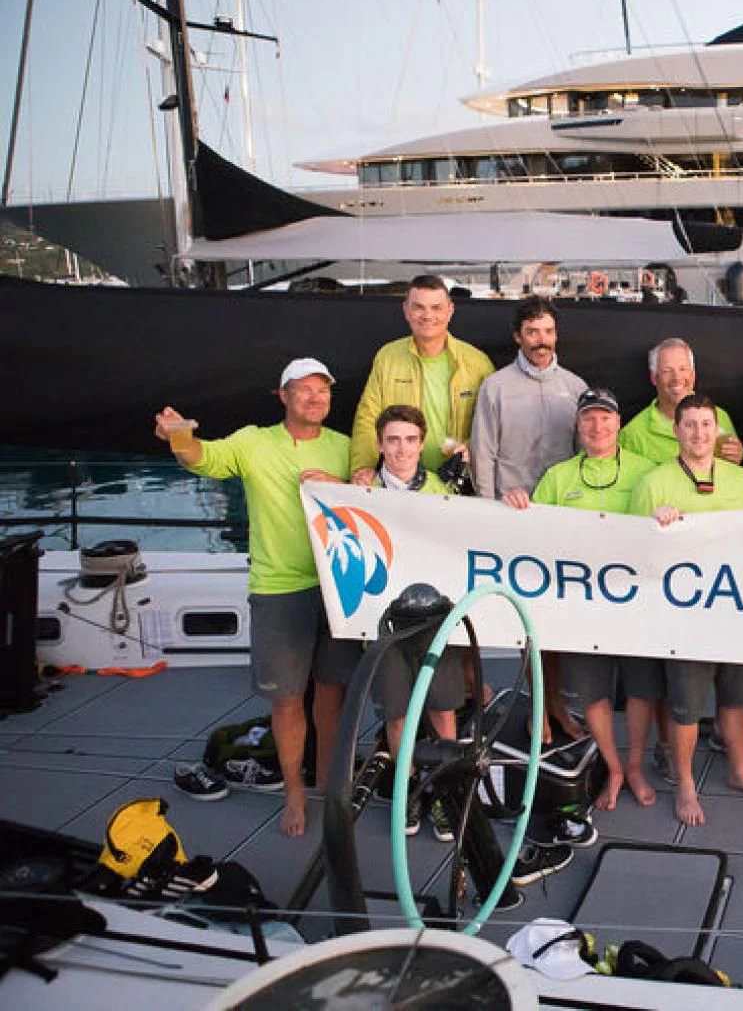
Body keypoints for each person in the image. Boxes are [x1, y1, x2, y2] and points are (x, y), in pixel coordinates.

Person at [154, 359, 353, 838]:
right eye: (303, 390)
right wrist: (178, 436)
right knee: (286, 699)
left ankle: (329, 784)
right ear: (281, 395)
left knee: (332, 692)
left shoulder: (346, 447)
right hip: (278, 587)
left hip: (339, 585)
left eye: (323, 390)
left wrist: (342, 485)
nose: (315, 398)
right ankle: (293, 792)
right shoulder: (253, 442)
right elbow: (202, 457)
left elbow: (374, 496)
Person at [506, 388, 659, 811]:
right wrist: (516, 506)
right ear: (577, 425)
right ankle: (613, 767)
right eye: (588, 418)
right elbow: (531, 534)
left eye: (605, 418)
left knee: (641, 689)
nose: (597, 426)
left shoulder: (648, 472)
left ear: (619, 422)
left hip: (637, 601)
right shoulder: (558, 477)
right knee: (592, 692)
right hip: (581, 604)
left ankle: (635, 766)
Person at [629, 394, 743, 826]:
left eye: (707, 424)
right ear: (676, 431)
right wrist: (655, 524)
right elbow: (633, 550)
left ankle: (739, 769)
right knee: (686, 705)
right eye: (689, 425)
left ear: (717, 430)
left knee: (737, 697)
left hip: (733, 608)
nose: (699, 433)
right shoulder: (654, 483)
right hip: (683, 617)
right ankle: (686, 782)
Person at [365, 405, 464, 841]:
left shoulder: (444, 490)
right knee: (399, 714)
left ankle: (444, 792)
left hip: (434, 618)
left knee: (443, 709)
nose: (402, 449)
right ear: (380, 444)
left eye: (410, 440)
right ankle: (407, 790)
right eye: (393, 440)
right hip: (386, 620)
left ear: (421, 444)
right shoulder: (360, 490)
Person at [350, 275, 494, 479]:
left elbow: (493, 426)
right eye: (419, 307)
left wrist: (470, 448)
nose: (427, 316)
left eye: (436, 308)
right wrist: (363, 467)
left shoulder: (477, 363)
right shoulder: (388, 358)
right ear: (406, 311)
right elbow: (368, 418)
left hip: (458, 483)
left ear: (450, 310)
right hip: (401, 481)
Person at [469, 297, 586, 500]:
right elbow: (482, 453)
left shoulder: (576, 388)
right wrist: (487, 505)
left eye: (548, 331)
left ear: (556, 335)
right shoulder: (495, 387)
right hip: (510, 504)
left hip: (561, 504)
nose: (542, 341)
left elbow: (584, 452)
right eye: (532, 332)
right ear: (517, 336)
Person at [619, 338, 743, 467]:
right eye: (667, 371)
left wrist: (737, 460)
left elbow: (731, 470)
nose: (677, 378)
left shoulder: (720, 417)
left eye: (683, 369)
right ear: (654, 377)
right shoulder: (633, 435)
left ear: (693, 375)